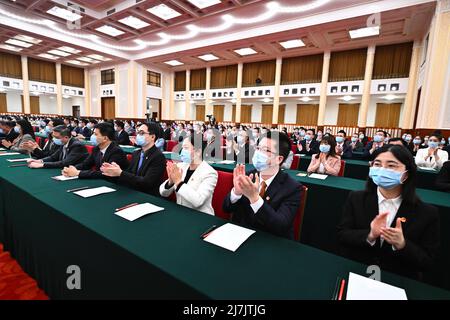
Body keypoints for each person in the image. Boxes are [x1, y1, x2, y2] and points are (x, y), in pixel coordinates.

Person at [337, 145, 440, 280]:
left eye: (391, 166)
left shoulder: (427, 213)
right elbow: (342, 235)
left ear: (406, 174)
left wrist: (402, 244)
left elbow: (427, 262)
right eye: (377, 164)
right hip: (358, 272)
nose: (382, 170)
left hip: (399, 277)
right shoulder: (356, 198)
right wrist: (370, 235)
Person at [222, 131, 302, 239]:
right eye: (258, 148)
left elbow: (280, 225)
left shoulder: (292, 188)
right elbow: (226, 208)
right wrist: (236, 193)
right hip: (243, 236)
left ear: (279, 159)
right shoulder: (248, 175)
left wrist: (254, 198)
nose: (258, 153)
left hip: (271, 242)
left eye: (265, 150)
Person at [101, 122, 166, 196]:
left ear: (152, 137)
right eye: (137, 132)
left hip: (148, 195)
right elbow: (130, 174)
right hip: (133, 191)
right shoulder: (136, 153)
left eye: (141, 133)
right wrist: (116, 171)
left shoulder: (158, 156)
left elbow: (147, 182)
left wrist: (121, 173)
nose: (138, 136)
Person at [160, 134, 218, 215]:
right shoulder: (181, 166)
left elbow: (198, 201)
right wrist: (170, 181)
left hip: (200, 216)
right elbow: (163, 193)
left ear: (198, 151)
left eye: (186, 148)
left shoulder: (209, 173)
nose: (182, 151)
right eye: (182, 148)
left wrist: (178, 182)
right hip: (180, 213)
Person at [62, 123, 128, 180]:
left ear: (105, 138)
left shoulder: (116, 151)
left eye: (96, 134)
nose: (93, 136)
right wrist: (72, 169)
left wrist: (78, 173)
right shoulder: (96, 149)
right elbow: (86, 164)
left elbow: (105, 172)